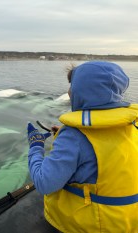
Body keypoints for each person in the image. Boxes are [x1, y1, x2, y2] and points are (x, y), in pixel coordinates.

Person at [27, 61, 138, 232]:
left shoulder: (74, 136)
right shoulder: (131, 124)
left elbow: (44, 183)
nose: (69, 91)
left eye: (72, 86)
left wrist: (36, 146)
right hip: (126, 221)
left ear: (81, 91)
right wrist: (64, 136)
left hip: (90, 224)